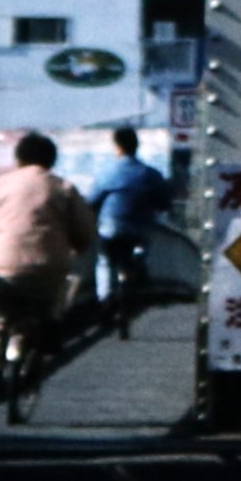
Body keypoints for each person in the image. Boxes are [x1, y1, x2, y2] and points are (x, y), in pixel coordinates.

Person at [0, 134, 94, 419]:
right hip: (47, 270)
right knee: (55, 294)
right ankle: (51, 330)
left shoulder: (0, 184)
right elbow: (84, 231)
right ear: (51, 160)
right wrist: (77, 245)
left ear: (17, 158)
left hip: (4, 269)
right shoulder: (64, 188)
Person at [74, 127, 173, 339]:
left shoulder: (107, 173)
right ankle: (137, 273)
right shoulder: (150, 174)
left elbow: (91, 202)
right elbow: (165, 202)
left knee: (105, 261)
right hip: (140, 228)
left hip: (111, 227)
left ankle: (105, 298)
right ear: (136, 146)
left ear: (117, 147)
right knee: (139, 252)